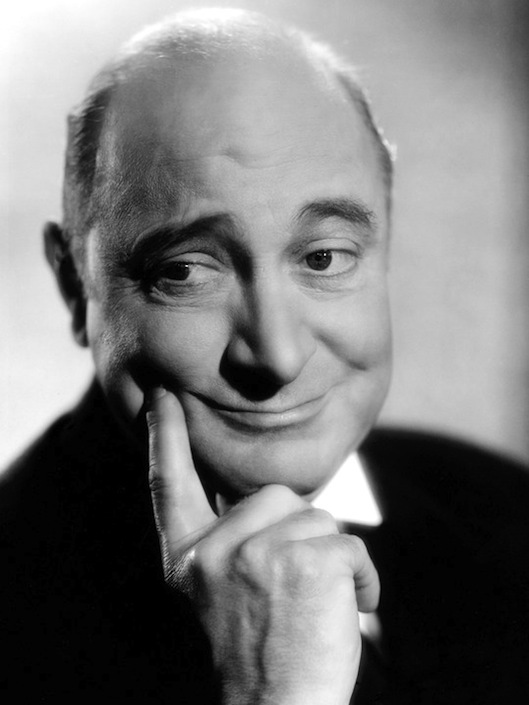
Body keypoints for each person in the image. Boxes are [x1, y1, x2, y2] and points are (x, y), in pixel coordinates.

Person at [1, 8, 528, 704]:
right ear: (76, 285)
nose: (276, 355)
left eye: (323, 257)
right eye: (185, 271)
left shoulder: (505, 510)